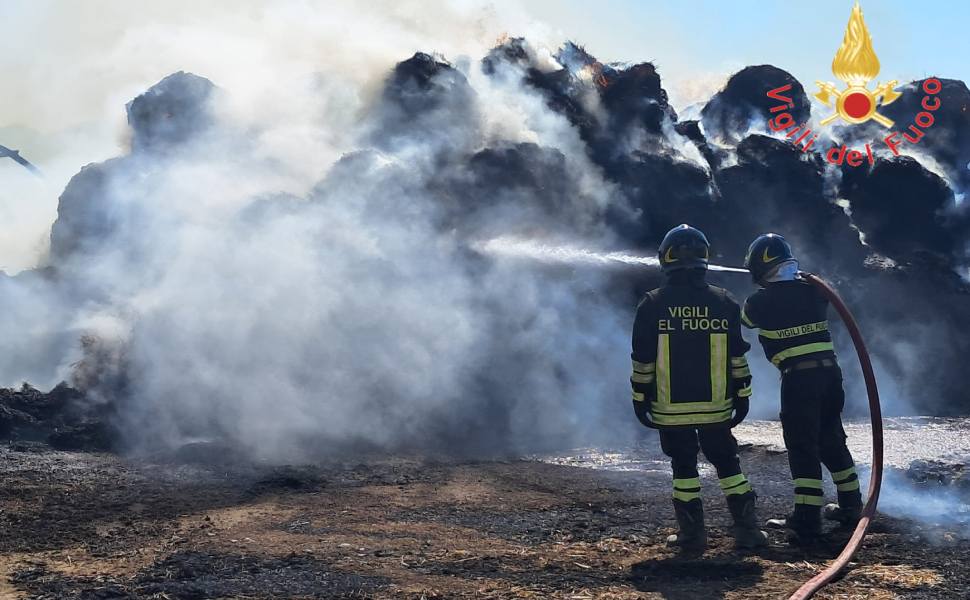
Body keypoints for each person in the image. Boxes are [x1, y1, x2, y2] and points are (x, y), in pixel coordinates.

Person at [631, 224, 767, 551]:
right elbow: (738, 356)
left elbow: (643, 361)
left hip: (670, 408)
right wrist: (743, 396)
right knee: (728, 463)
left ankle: (692, 536)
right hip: (717, 407)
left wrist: (639, 399)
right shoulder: (725, 302)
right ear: (705, 258)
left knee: (684, 468)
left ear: (665, 258)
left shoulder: (652, 305)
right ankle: (748, 531)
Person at [741, 233, 863, 543]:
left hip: (799, 380)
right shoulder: (815, 292)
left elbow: (744, 320)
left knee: (802, 446)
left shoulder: (760, 301)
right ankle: (851, 506)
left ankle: (808, 518)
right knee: (831, 439)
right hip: (830, 377)